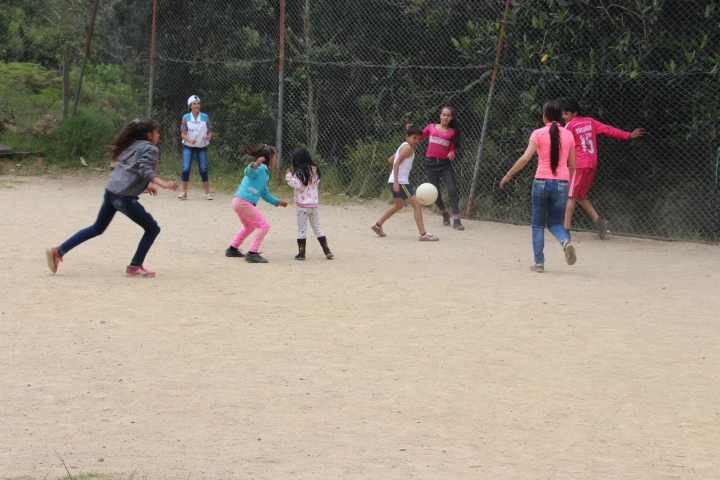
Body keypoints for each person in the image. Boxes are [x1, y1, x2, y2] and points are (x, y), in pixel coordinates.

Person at [45, 118, 178, 277]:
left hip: (110, 193)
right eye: (157, 132)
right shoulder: (150, 149)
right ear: (149, 135)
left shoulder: (132, 145)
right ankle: (135, 266)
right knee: (152, 228)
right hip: (123, 198)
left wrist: (144, 185)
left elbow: (127, 169)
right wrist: (162, 183)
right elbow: (144, 169)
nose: (159, 135)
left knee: (97, 228)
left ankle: (58, 251)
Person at [500, 100, 577, 273]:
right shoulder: (569, 135)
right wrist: (565, 179)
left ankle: (539, 263)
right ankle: (565, 241)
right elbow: (573, 165)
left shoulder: (538, 133)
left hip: (541, 181)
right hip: (562, 183)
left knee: (537, 224)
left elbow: (525, 158)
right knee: (556, 222)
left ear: (545, 116)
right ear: (560, 116)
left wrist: (508, 174)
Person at [561, 98, 644, 238]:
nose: (564, 116)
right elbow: (608, 129)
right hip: (591, 164)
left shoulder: (570, 126)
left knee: (570, 196)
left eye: (566, 113)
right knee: (579, 195)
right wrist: (628, 135)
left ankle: (565, 230)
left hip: (579, 164)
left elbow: (562, 145)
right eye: (563, 114)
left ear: (575, 113)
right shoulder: (590, 122)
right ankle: (599, 221)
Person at [371, 125, 440, 241]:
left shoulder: (403, 146)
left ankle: (377, 225)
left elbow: (390, 160)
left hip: (393, 180)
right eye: (415, 138)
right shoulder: (407, 148)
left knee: (398, 206)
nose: (417, 141)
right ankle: (423, 234)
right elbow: (396, 164)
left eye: (419, 139)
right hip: (401, 182)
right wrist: (397, 183)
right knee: (417, 205)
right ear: (407, 136)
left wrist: (398, 154)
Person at [225, 145, 288, 263]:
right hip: (243, 202)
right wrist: (254, 165)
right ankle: (252, 253)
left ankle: (232, 249)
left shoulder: (265, 173)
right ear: (269, 157)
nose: (276, 160)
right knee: (264, 226)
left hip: (239, 201)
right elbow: (248, 173)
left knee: (249, 227)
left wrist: (277, 202)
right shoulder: (259, 168)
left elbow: (264, 192)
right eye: (275, 157)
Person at [418, 106, 464, 230]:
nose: (445, 117)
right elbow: (419, 137)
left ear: (452, 118)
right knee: (435, 193)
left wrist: (452, 152)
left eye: (448, 115)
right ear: (440, 115)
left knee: (452, 189)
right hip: (431, 164)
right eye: (444, 114)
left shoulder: (452, 132)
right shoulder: (431, 127)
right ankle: (444, 213)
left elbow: (452, 147)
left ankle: (456, 219)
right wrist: (411, 131)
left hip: (445, 165)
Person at [285, 147, 333, 260]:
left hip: (302, 206)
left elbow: (296, 185)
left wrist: (288, 176)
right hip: (313, 205)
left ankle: (301, 253)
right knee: (317, 228)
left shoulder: (298, 172)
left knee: (302, 229)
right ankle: (327, 250)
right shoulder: (315, 171)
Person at [178, 95, 213, 200]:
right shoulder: (186, 117)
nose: (197, 105)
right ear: (190, 106)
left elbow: (210, 131)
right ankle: (184, 192)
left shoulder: (205, 116)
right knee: (186, 168)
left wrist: (208, 137)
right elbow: (182, 134)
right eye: (194, 104)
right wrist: (189, 140)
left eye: (198, 103)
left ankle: (207, 193)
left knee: (203, 168)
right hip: (188, 146)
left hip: (201, 146)